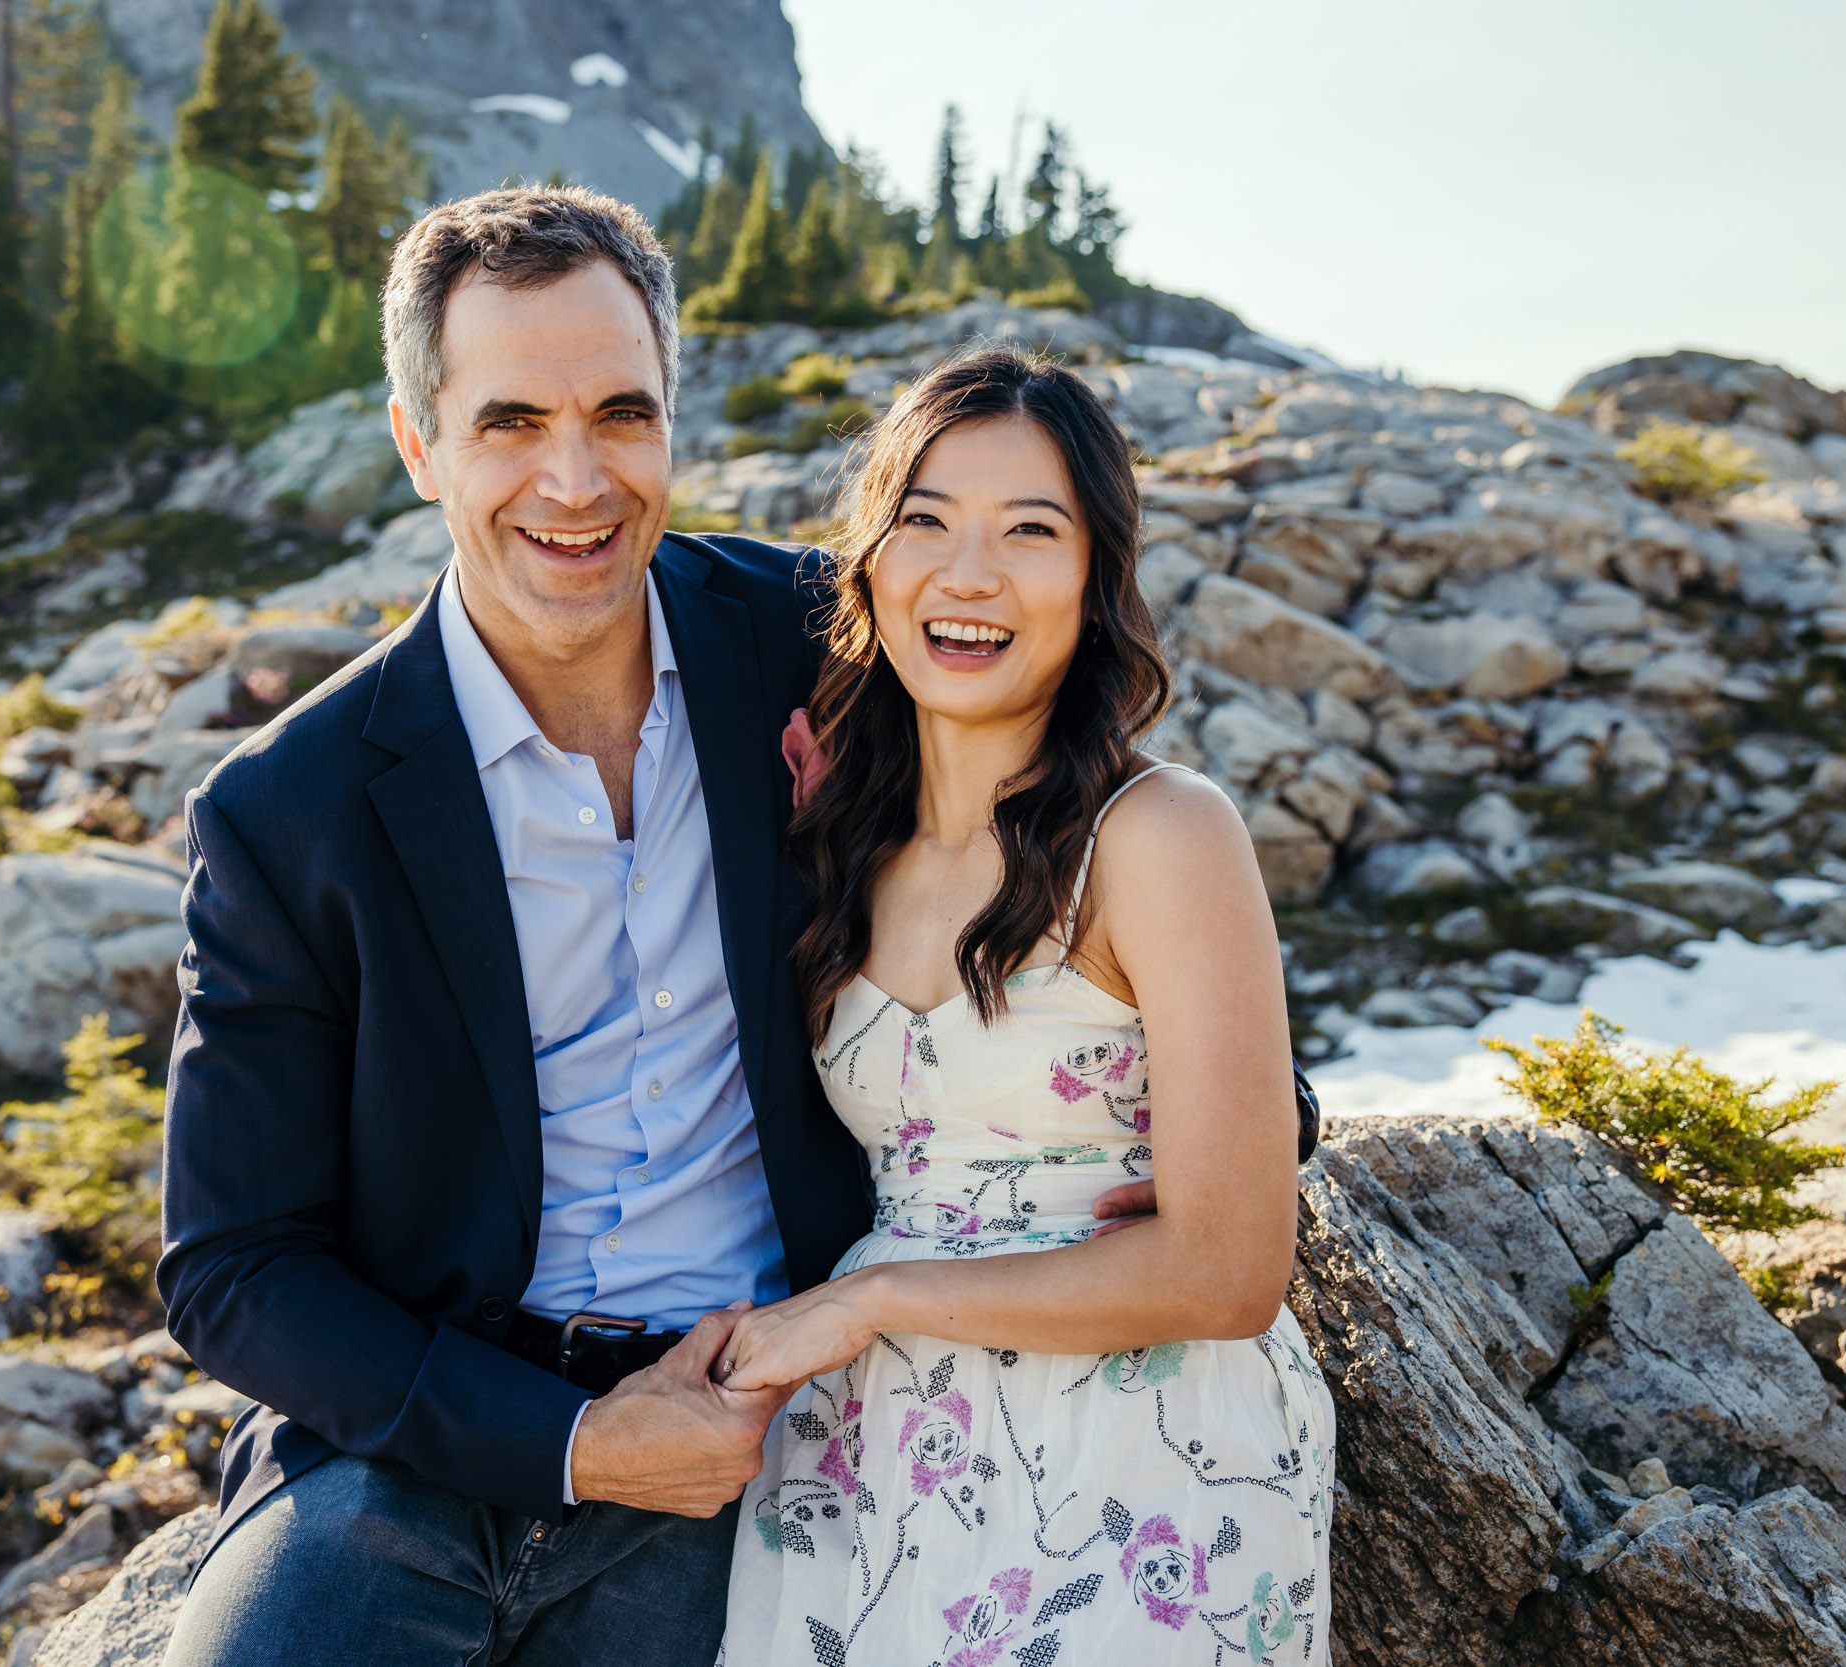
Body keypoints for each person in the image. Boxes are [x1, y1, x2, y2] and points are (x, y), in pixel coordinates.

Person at [152, 187, 1160, 1664]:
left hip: (759, 1430)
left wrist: (1216, 1102)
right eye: (508, 424)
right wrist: (571, 1444)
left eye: (621, 412)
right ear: (419, 443)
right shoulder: (286, 809)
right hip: (407, 1454)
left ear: (673, 421)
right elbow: (232, 1264)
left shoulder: (825, 645)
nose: (575, 480)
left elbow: (1085, 849)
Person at [713, 348, 1335, 1665]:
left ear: (1098, 580)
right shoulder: (849, 843)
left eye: (1030, 533)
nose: (969, 574)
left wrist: (870, 1303)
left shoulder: (1161, 835)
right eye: (925, 522)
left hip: (1140, 1450)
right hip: (874, 1456)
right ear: (869, 563)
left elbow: (1229, 1271)